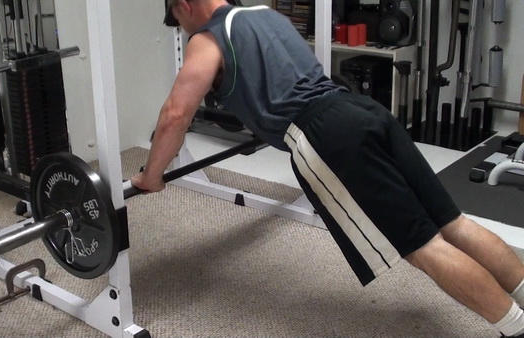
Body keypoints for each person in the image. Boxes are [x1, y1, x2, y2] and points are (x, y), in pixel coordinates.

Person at [130, 1, 524, 336]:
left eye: (177, 22)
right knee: (451, 222)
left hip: (322, 134)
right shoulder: (268, 14)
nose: (182, 30)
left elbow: (175, 114)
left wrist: (152, 175)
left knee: (423, 247)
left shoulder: (208, 38)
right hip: (361, 111)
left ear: (182, 5)